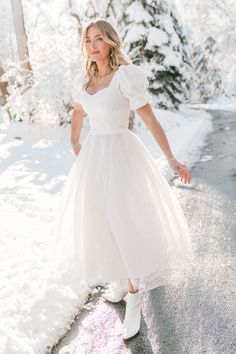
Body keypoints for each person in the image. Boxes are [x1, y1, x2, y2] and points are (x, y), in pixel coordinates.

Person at [48, 18, 194, 341]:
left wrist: (170, 157)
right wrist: (75, 140)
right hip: (94, 158)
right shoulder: (85, 81)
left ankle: (134, 293)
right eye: (88, 40)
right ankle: (120, 278)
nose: (93, 45)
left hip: (122, 154)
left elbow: (151, 119)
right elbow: (78, 111)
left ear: (111, 42)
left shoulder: (124, 78)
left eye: (99, 39)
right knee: (101, 221)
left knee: (123, 220)